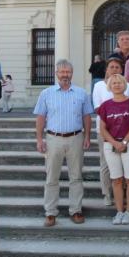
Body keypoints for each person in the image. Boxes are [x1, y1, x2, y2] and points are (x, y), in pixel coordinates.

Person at [34, 59, 93, 227]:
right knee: (52, 177)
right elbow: (40, 118)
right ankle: (51, 212)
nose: (65, 75)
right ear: (56, 73)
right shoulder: (46, 93)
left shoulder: (81, 93)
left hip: (76, 138)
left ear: (72, 74)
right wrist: (39, 139)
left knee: (76, 177)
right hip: (53, 139)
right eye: (62, 72)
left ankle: (76, 210)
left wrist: (87, 136)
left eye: (68, 72)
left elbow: (87, 117)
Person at [97, 73, 129, 225]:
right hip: (111, 146)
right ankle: (119, 211)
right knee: (116, 180)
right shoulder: (105, 105)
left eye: (119, 82)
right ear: (109, 86)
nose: (117, 85)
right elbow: (102, 129)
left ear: (125, 85)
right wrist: (114, 143)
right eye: (114, 83)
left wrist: (124, 141)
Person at [93, 56, 129, 206]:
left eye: (117, 67)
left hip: (125, 131)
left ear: (121, 70)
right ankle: (106, 193)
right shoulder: (99, 86)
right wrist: (114, 114)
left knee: (124, 164)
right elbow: (98, 108)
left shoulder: (128, 86)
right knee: (105, 164)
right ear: (107, 69)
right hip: (105, 131)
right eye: (111, 67)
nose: (114, 70)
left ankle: (121, 194)